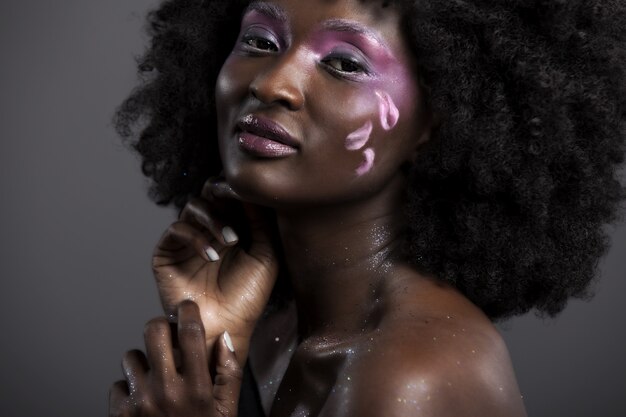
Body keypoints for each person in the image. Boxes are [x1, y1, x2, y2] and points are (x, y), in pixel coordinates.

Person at [109, 0, 625, 416]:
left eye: (344, 63)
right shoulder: (270, 334)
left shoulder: (415, 375)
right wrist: (212, 342)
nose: (271, 83)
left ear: (438, 121)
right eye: (260, 41)